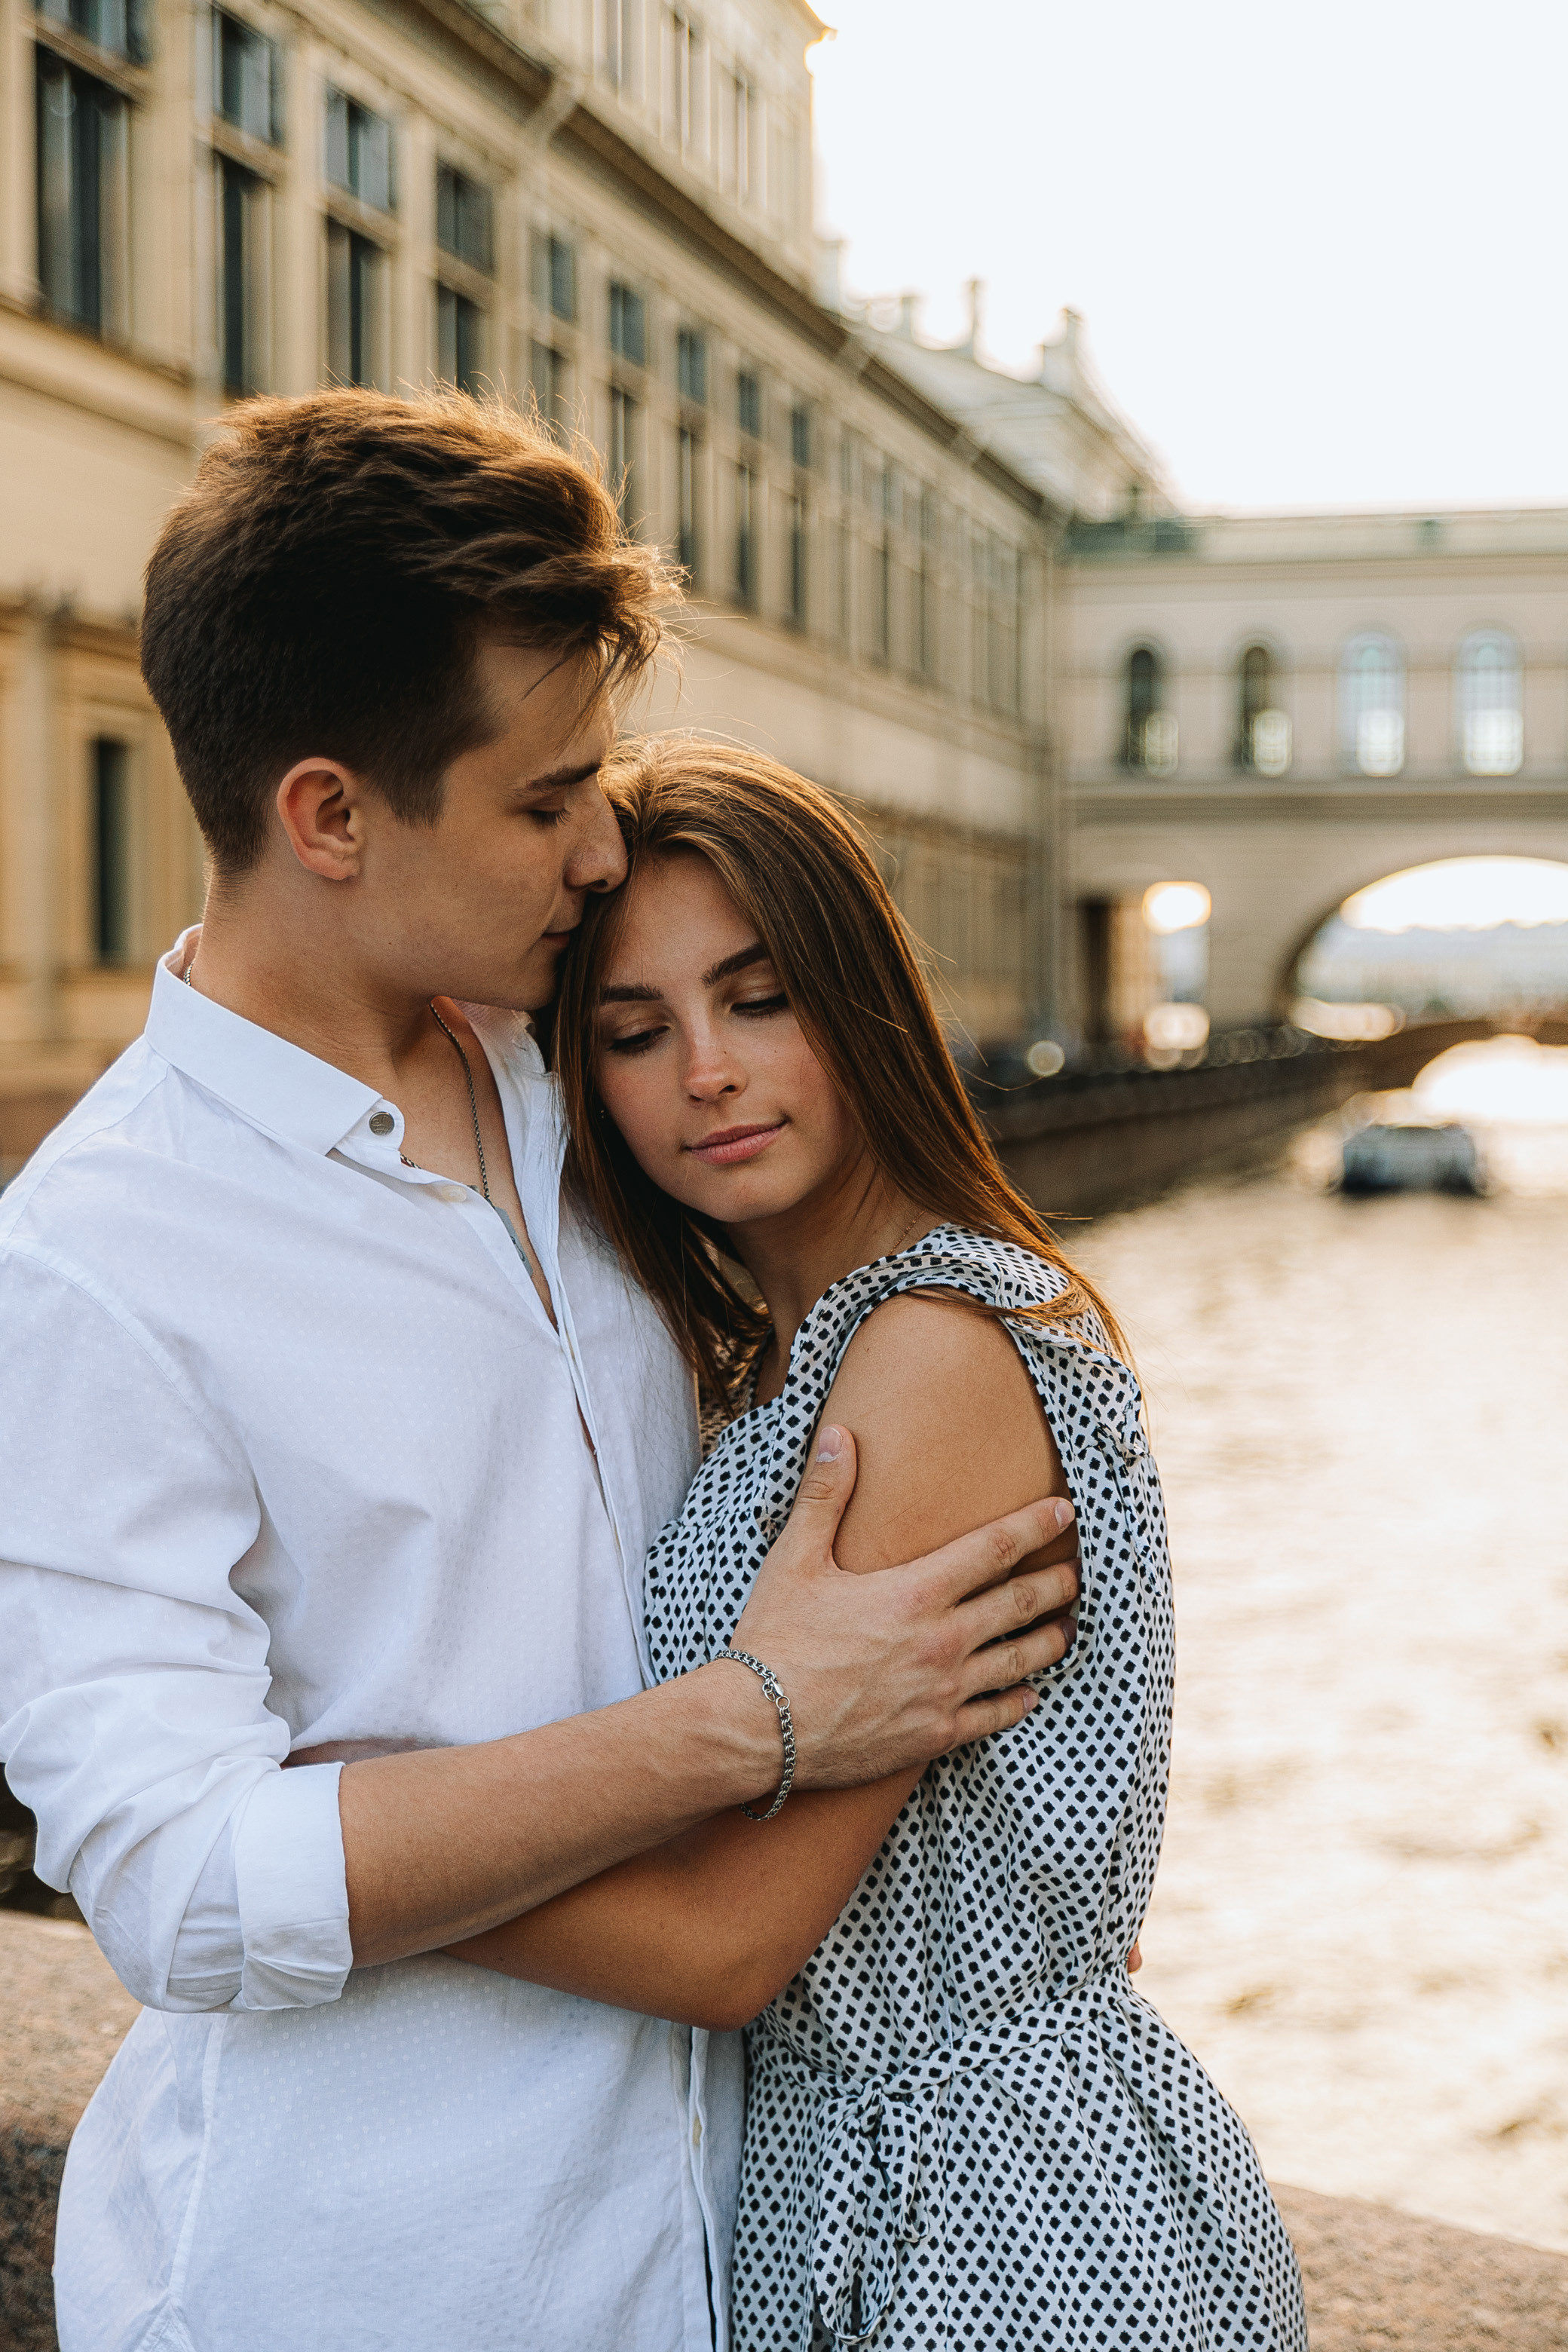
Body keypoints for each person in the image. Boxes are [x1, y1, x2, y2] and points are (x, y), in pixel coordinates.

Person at [0, 393, 1082, 2352]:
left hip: (718, 2255)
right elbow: (173, 1877)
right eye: (542, 799)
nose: (601, 848)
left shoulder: (600, 1087)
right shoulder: (97, 1259)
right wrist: (759, 1718)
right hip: (361, 2284)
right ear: (329, 815)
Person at [450, 740, 1309, 2350]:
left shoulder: (928, 1344)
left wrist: (351, 1855)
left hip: (999, 2222)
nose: (703, 1069)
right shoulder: (779, 1360)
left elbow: (727, 1946)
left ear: (861, 1000)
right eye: (635, 1032)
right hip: (866, 2180)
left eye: (758, 999)